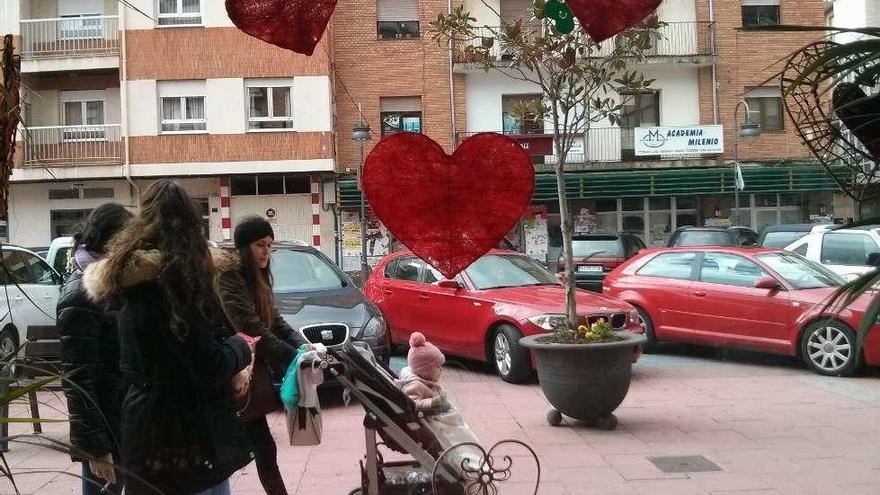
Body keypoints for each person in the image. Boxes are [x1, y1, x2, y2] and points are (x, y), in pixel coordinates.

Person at [83, 180, 253, 495]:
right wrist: (242, 347)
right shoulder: (180, 283)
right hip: (189, 433)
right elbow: (208, 362)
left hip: (142, 428)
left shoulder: (125, 282)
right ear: (192, 225)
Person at [215, 216, 310, 495]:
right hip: (229, 373)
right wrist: (290, 354)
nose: (266, 251)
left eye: (269, 245)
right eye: (260, 245)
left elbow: (274, 319)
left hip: (248, 373)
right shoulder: (229, 277)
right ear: (244, 247)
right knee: (231, 453)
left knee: (263, 447)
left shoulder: (259, 277)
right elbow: (249, 326)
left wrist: (302, 345)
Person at [58, 203, 133, 495]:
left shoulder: (116, 285)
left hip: (124, 419)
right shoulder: (81, 294)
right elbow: (77, 380)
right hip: (105, 428)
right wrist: (95, 448)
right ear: (111, 241)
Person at [395, 332, 450, 412]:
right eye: (437, 367)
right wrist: (432, 402)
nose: (441, 370)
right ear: (424, 371)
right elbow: (413, 403)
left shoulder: (422, 377)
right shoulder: (415, 385)